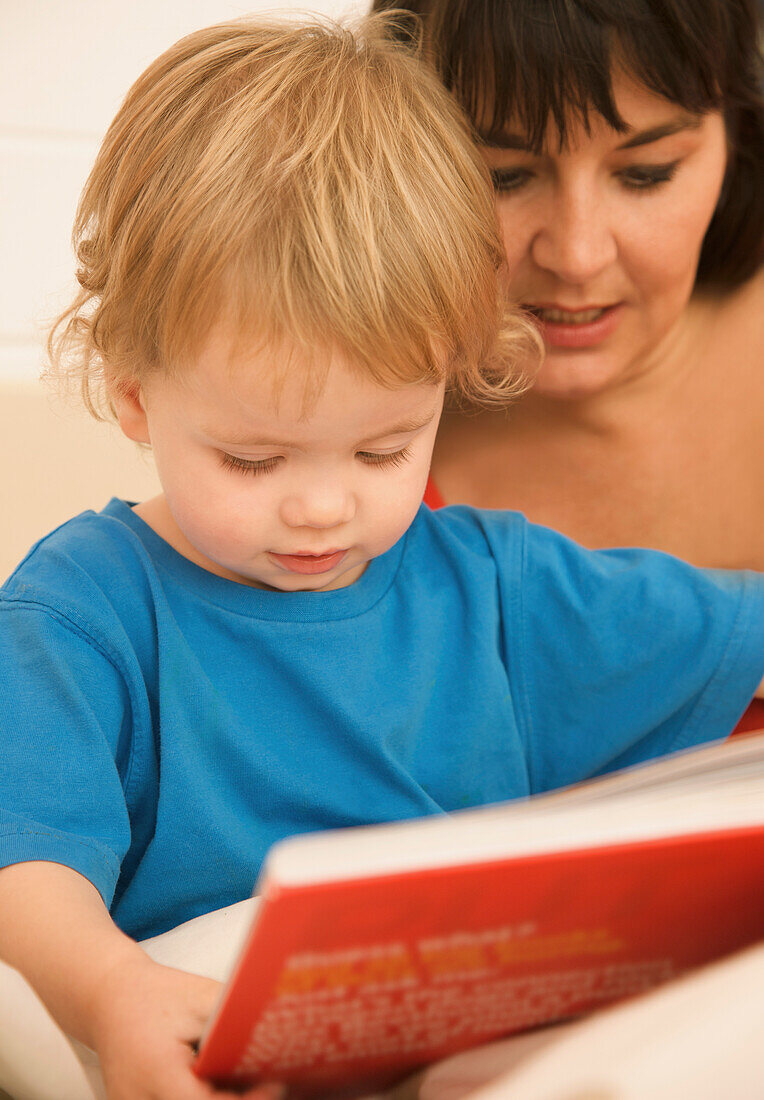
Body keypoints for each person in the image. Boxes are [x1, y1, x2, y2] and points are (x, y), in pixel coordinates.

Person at [0, 14, 762, 1100]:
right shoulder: (83, 610)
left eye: (382, 446)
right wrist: (112, 988)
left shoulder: (495, 585)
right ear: (132, 391)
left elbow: (732, 637)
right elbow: (24, 869)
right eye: (253, 457)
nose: (322, 507)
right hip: (188, 1028)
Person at [372, 0, 764, 731]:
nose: (578, 256)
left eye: (647, 174)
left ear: (738, 135)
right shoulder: (323, 427)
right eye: (505, 177)